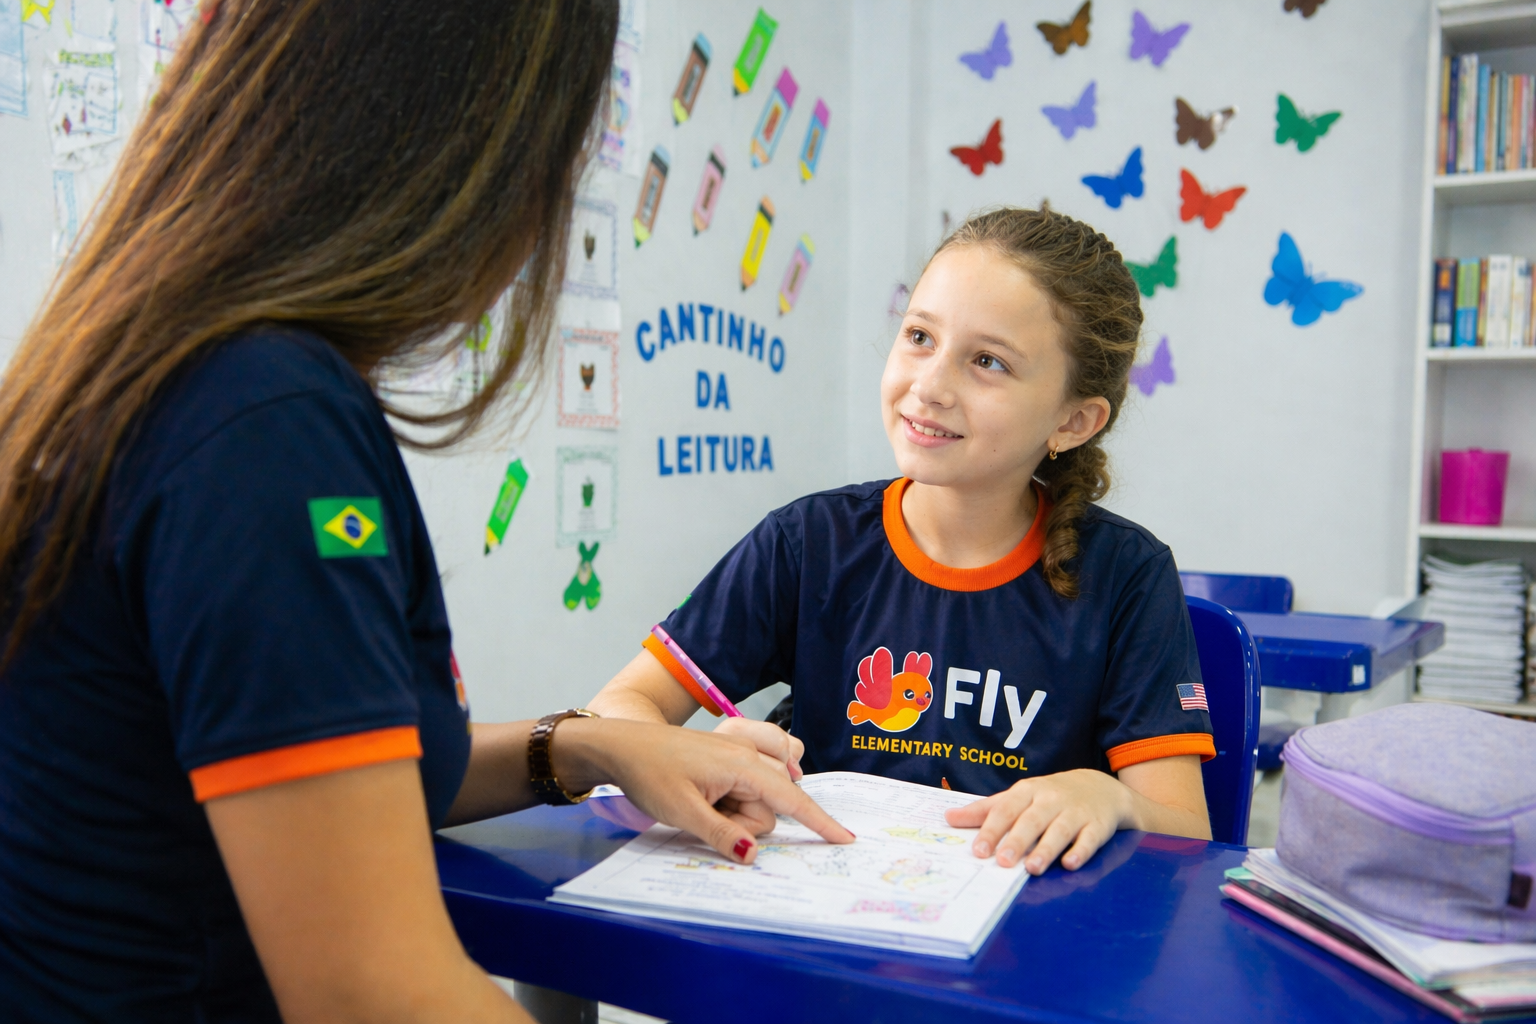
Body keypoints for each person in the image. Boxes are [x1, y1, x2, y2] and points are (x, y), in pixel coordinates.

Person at [0, 3, 851, 1022]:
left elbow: (315, 770)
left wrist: (582, 746)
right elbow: (371, 989)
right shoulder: (267, 427)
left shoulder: (168, 369)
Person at [591, 205, 1215, 877]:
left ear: (1073, 420)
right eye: (919, 336)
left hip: (1024, 951)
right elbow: (619, 707)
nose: (930, 386)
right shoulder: (807, 542)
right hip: (823, 929)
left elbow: (1186, 830)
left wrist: (1108, 798)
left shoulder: (1128, 575)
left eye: (987, 361)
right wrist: (689, 757)